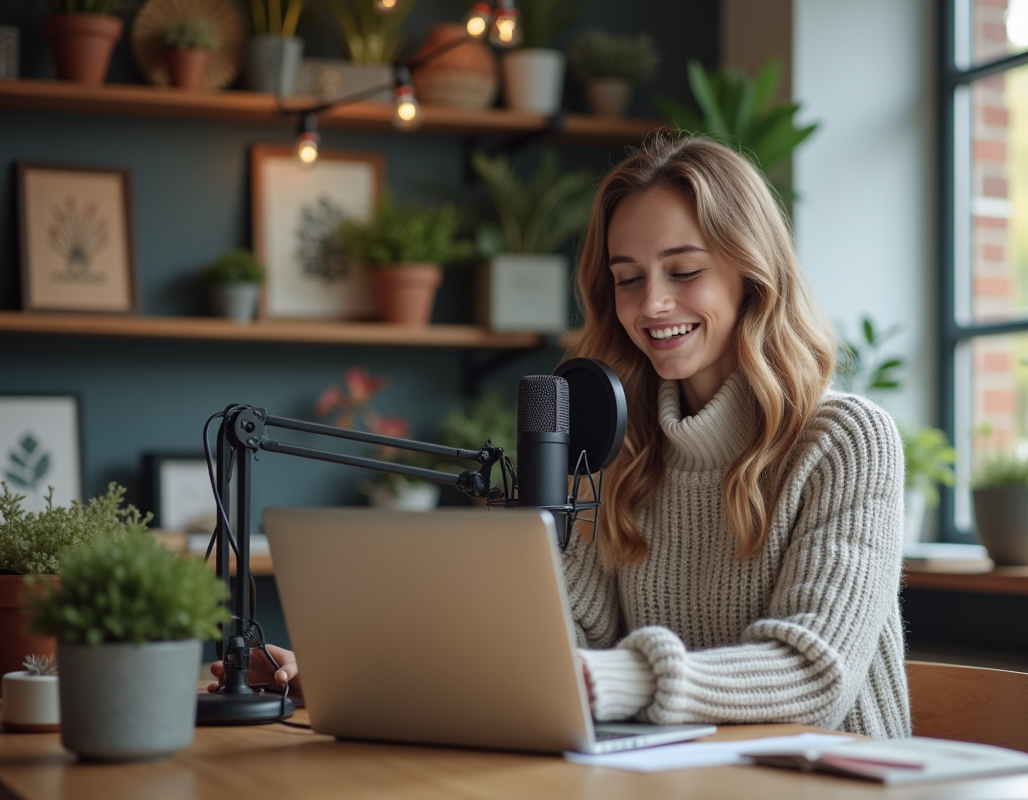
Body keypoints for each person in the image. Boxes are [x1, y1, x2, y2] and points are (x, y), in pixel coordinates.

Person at [211, 134, 910, 739]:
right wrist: (354, 674)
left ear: (752, 274)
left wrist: (621, 680)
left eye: (685, 271)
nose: (652, 305)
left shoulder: (845, 441)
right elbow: (565, 647)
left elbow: (814, 671)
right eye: (627, 280)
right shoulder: (621, 450)